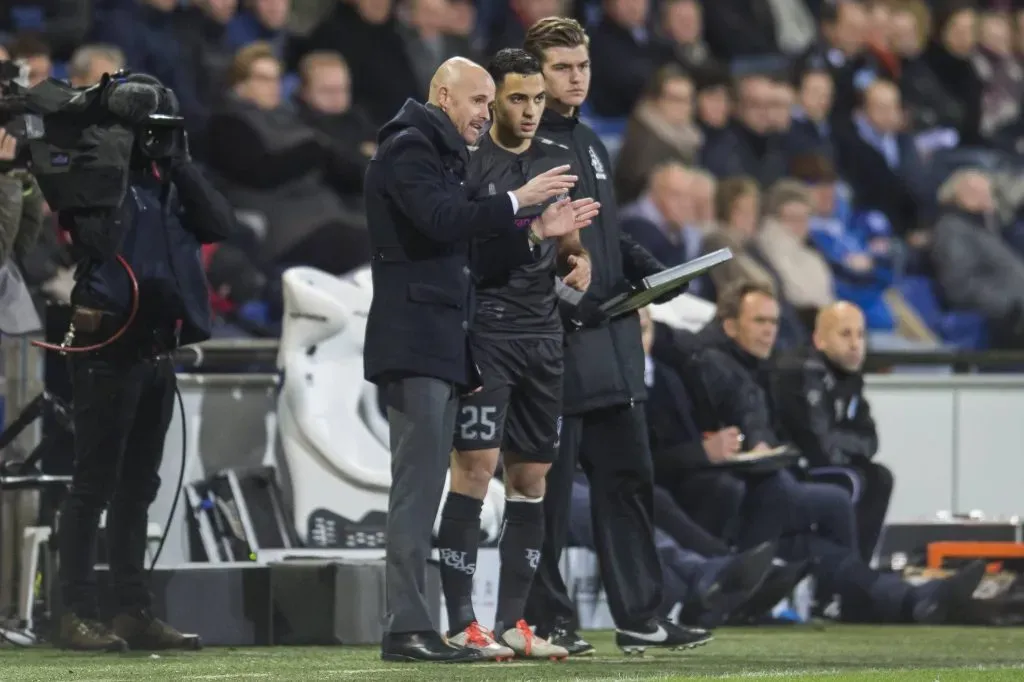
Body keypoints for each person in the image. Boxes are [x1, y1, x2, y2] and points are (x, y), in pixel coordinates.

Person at [363, 56, 597, 663]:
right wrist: (520, 198)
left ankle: (420, 625)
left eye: (491, 105)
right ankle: (406, 628)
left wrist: (536, 233)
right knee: (416, 492)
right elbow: (443, 222)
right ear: (444, 95)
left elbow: (466, 242)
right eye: (479, 102)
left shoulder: (439, 155)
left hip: (443, 342)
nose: (486, 116)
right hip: (417, 338)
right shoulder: (410, 147)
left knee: (424, 488)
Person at [520, 18, 709, 655]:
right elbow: (519, 246)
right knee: (544, 490)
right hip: (558, 341)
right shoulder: (521, 147)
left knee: (629, 482)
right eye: (561, 69)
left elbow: (605, 233)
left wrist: (649, 269)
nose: (576, 78)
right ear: (533, 76)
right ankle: (548, 621)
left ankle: (641, 617)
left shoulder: (593, 140)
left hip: (613, 340)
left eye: (582, 67)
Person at [55, 76, 235, 651]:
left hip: (158, 345)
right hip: (107, 343)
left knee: (138, 487)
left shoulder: (169, 183)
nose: (153, 140)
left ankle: (131, 608)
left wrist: (179, 164)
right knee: (93, 486)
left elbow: (219, 224)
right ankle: (76, 612)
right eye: (147, 130)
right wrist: (113, 144)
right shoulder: (99, 176)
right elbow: (87, 233)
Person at [440, 48, 594, 661]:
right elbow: (470, 256)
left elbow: (569, 241)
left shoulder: (558, 159)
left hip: (544, 336)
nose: (531, 111)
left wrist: (576, 261)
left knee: (531, 481)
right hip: (488, 336)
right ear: (493, 100)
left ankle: (513, 624)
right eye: (517, 99)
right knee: (474, 473)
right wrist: (534, 233)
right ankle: (459, 622)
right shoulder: (469, 163)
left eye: (536, 98)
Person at [776, 301, 893, 562]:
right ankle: (844, 573)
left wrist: (844, 445)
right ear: (819, 339)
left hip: (825, 462)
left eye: (860, 335)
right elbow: (820, 445)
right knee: (860, 479)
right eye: (845, 334)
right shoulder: (805, 371)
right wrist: (848, 447)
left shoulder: (851, 377)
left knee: (878, 476)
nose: (855, 344)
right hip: (794, 468)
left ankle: (856, 570)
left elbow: (871, 441)